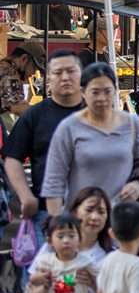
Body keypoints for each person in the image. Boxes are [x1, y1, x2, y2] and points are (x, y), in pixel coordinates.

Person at [42, 62, 139, 215]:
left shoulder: (132, 124)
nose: (102, 98)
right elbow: (53, 181)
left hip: (121, 221)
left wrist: (138, 184)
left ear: (115, 91)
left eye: (107, 91)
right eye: (95, 92)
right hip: (82, 221)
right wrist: (57, 224)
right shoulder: (68, 128)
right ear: (83, 92)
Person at [4, 48, 83, 239]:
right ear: (49, 78)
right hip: (44, 214)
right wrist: (25, 195)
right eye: (57, 72)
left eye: (71, 71)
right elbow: (12, 158)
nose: (64, 77)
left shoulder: (98, 113)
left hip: (89, 215)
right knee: (43, 268)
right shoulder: (35, 115)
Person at [27, 214, 99, 293]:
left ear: (80, 239)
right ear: (50, 241)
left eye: (71, 236)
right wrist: (38, 280)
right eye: (60, 236)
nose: (66, 241)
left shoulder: (86, 261)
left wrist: (93, 284)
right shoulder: (45, 261)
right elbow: (33, 281)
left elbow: (102, 281)